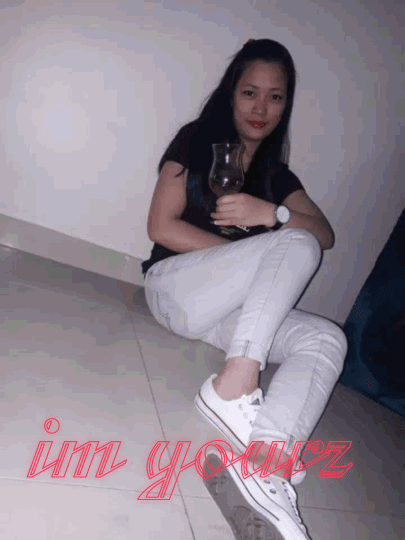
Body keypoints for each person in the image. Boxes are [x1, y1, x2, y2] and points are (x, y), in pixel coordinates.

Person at [141, 38, 348, 540]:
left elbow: (325, 233)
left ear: (286, 104)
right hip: (174, 289)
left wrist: (272, 213)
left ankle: (267, 466)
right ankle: (233, 387)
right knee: (294, 244)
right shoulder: (195, 140)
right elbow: (160, 226)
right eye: (250, 92)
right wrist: (251, 254)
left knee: (326, 339)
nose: (261, 108)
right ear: (231, 93)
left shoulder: (276, 175)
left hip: (229, 316)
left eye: (275, 97)